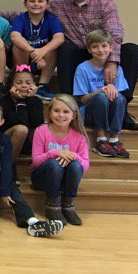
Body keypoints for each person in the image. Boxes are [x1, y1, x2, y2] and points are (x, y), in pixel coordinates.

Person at [49, 0, 138, 130]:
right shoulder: (57, 5)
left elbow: (115, 33)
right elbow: (31, 13)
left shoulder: (105, 4)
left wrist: (112, 62)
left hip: (102, 53)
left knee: (132, 50)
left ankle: (122, 107)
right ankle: (70, 106)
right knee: (65, 48)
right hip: (78, 55)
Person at [0, 100, 62, 238]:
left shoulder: (4, 140)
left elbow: (7, 165)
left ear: (2, 121)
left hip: (2, 176)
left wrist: (5, 190)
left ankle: (33, 223)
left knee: (15, 196)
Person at [31, 94, 88, 226]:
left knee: (75, 165)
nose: (61, 115)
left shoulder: (79, 137)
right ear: (49, 113)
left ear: (73, 115)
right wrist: (56, 152)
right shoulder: (41, 131)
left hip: (65, 181)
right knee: (54, 164)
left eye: (66, 111)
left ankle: (68, 205)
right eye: (56, 111)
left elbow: (84, 166)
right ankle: (52, 206)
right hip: (42, 178)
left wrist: (72, 156)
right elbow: (36, 161)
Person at [74, 29, 131, 158]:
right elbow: (82, 100)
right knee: (101, 97)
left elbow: (118, 97)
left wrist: (110, 89)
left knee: (120, 98)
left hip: (109, 112)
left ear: (111, 48)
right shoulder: (82, 68)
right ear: (89, 50)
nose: (100, 50)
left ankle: (114, 140)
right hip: (90, 113)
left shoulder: (116, 69)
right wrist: (101, 90)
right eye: (95, 47)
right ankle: (100, 139)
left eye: (104, 46)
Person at [9, 0, 65, 101]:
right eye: (32, 1)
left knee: (52, 49)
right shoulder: (20, 19)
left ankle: (42, 86)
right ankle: (22, 80)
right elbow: (14, 36)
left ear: (47, 4)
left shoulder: (51, 19)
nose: (36, 4)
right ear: (25, 3)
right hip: (24, 60)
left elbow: (60, 38)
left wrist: (42, 52)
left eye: (40, 1)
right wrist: (34, 52)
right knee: (18, 46)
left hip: (44, 63)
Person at [0, 66, 45, 159]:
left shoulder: (36, 101)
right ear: (11, 85)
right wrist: (21, 101)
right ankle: (9, 166)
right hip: (5, 141)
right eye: (19, 82)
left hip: (27, 143)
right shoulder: (3, 101)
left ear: (34, 85)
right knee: (21, 129)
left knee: (40, 128)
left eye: (28, 83)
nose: (24, 86)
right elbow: (20, 122)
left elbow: (37, 122)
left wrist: (30, 99)